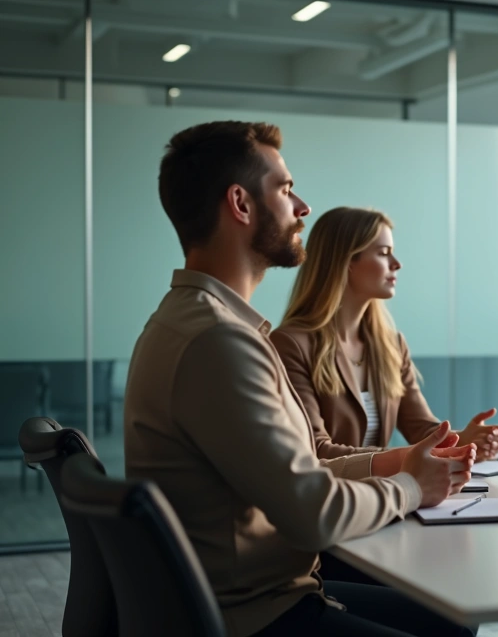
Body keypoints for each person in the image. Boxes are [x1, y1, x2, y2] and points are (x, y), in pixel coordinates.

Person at [124, 121, 476, 637]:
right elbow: (314, 513)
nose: (303, 207)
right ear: (241, 204)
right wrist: (409, 487)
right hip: (254, 615)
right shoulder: (217, 342)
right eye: (286, 189)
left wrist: (398, 462)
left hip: (263, 593)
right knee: (453, 624)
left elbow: (303, 466)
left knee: (451, 617)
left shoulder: (199, 323)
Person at [271, 206, 498, 464]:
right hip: (333, 489)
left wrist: (464, 441)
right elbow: (315, 450)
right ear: (347, 262)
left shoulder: (392, 345)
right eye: (384, 253)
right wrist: (411, 456)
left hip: (386, 488)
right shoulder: (291, 345)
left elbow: (423, 430)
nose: (397, 264)